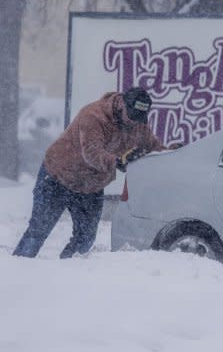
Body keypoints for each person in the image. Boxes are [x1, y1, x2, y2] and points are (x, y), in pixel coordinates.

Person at [13, 87, 172, 259]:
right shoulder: (94, 116)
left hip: (91, 186)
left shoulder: (138, 125)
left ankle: (67, 273)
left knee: (85, 240)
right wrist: (118, 161)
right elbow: (91, 153)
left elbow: (154, 147)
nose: (135, 122)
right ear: (122, 105)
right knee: (37, 233)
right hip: (58, 177)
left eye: (140, 118)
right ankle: (21, 269)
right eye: (132, 116)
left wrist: (172, 152)